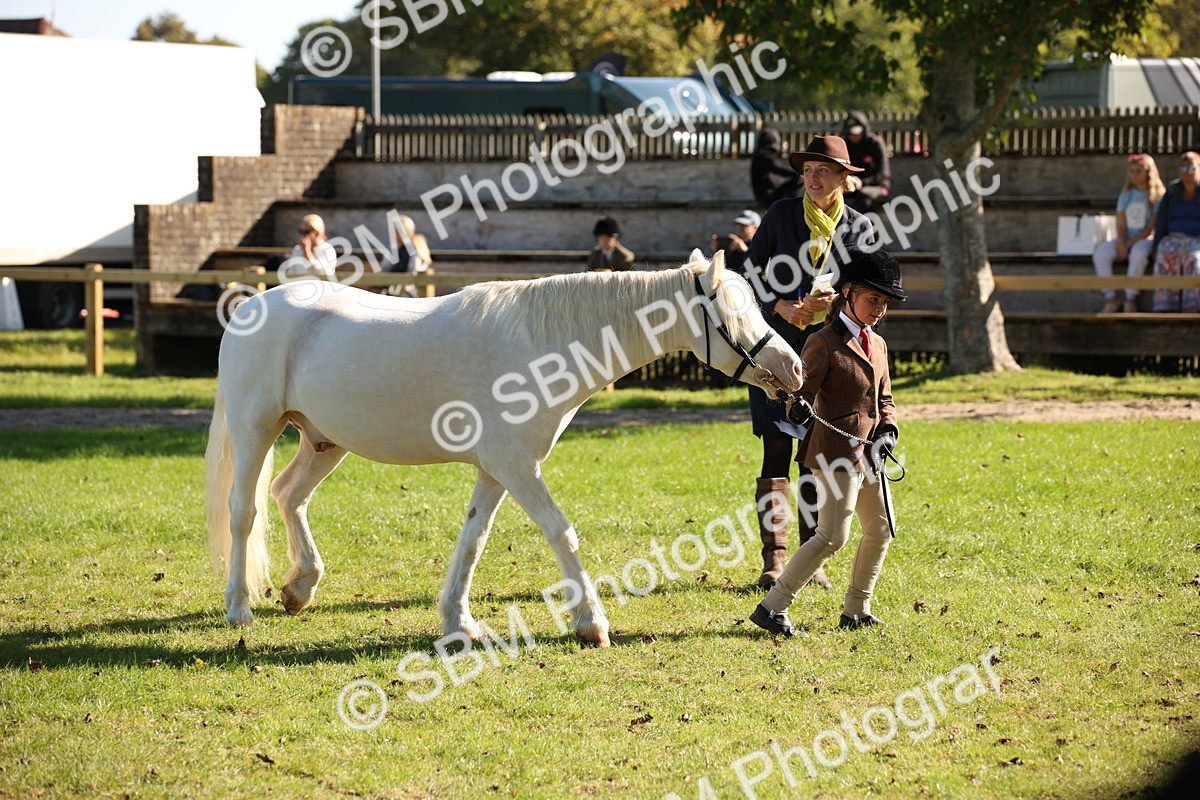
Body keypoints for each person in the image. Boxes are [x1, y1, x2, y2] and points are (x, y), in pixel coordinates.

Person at [741, 135, 877, 591]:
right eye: (808, 171)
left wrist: (834, 304)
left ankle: (809, 557)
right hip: (773, 346)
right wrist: (781, 306)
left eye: (823, 171)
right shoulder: (780, 215)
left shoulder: (859, 228)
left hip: (828, 354)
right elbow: (748, 277)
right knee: (776, 446)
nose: (813, 179)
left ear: (844, 178)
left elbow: (868, 294)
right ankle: (774, 560)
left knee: (814, 456)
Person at [749, 247, 906, 638]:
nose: (879, 309)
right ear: (849, 292)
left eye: (885, 302)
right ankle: (773, 606)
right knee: (832, 536)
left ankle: (856, 609)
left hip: (871, 450)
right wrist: (794, 408)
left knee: (882, 528)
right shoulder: (823, 342)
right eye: (874, 299)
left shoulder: (879, 345)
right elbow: (798, 395)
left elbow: (884, 397)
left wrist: (889, 428)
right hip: (834, 450)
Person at [1092, 154, 1164, 313]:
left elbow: (1150, 228)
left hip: (1144, 239)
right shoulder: (1126, 195)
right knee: (1101, 254)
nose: (1134, 175)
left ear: (1148, 172)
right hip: (1125, 238)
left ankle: (1130, 298)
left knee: (1138, 255)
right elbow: (1121, 223)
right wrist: (1121, 241)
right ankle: (1111, 298)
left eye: (1138, 171)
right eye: (1131, 171)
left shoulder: (1157, 196)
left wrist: (1130, 244)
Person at [1151, 151, 1200, 313]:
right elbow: (1162, 220)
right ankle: (1164, 305)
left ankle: (1192, 305)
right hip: (1174, 236)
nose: (1188, 172)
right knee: (1165, 253)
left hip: (1197, 239)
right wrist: (1156, 245)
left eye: (1192, 168)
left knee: (1194, 259)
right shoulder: (1172, 192)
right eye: (1184, 168)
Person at [840, 111, 891, 214]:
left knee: (863, 196)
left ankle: (868, 228)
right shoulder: (845, 144)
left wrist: (862, 182)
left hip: (877, 186)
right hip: (851, 186)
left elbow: (882, 175)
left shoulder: (875, 144)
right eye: (851, 134)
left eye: (857, 133)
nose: (854, 137)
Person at [383, 213, 433, 297]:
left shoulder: (415, 248)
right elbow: (386, 269)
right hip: (396, 291)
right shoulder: (396, 249)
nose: (392, 234)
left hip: (412, 294)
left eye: (396, 230)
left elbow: (413, 274)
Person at [750, 128, 799, 210]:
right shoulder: (763, 155)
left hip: (767, 192)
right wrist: (795, 174)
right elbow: (775, 168)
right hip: (767, 194)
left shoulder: (761, 154)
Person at [285, 214, 338, 280]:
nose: (302, 236)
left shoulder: (327, 249)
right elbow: (290, 274)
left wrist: (307, 252)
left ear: (317, 233)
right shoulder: (297, 250)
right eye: (300, 231)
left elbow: (324, 274)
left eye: (306, 232)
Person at [710, 209, 761, 274]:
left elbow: (761, 268)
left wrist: (745, 250)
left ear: (756, 227)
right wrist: (716, 252)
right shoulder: (733, 243)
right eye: (739, 224)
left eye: (745, 225)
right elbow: (725, 269)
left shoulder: (761, 244)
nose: (740, 227)